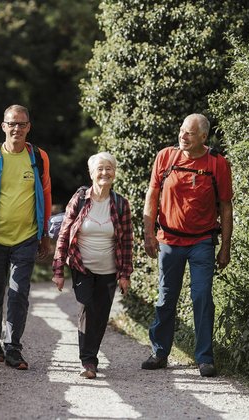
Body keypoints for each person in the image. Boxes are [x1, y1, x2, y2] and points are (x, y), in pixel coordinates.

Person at [141, 113, 233, 377]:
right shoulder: (166, 157)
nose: (183, 136)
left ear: (203, 137)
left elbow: (226, 207)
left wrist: (225, 247)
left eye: (189, 133)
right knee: (166, 297)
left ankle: (204, 358)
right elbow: (152, 193)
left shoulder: (217, 164)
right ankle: (159, 352)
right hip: (169, 239)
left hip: (202, 241)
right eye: (182, 130)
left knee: (202, 296)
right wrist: (149, 234)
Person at [0, 104, 52, 370]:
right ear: (3, 126)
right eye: (12, 123)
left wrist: (44, 234)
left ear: (29, 127)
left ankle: (13, 347)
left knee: (19, 293)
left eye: (22, 124)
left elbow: (46, 195)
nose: (17, 128)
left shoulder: (38, 157)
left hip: (26, 238)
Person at [52, 152, 133, 379]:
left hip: (109, 269)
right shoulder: (79, 200)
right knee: (87, 308)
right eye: (100, 169)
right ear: (91, 173)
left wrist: (125, 274)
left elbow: (127, 241)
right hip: (81, 266)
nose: (104, 173)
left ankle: (91, 356)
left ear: (114, 173)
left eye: (109, 168)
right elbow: (64, 235)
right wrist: (58, 270)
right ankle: (88, 361)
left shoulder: (120, 204)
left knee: (100, 316)